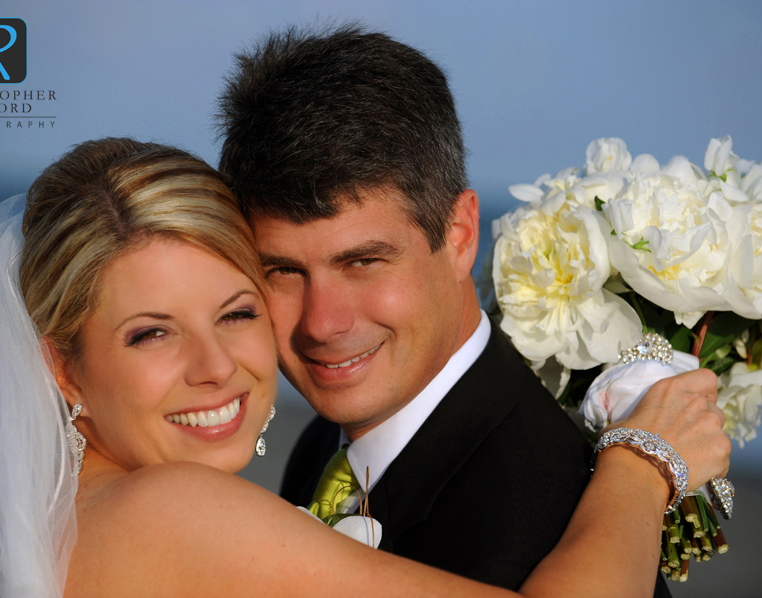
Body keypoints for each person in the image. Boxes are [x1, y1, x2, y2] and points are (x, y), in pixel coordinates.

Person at [0, 137, 729, 598]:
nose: (214, 368)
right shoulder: (164, 513)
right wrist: (643, 460)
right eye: (150, 334)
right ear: (63, 367)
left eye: (237, 313)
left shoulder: (57, 526)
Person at [215, 24, 693, 595]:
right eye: (283, 272)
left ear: (461, 234)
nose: (322, 324)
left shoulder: (534, 525)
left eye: (363, 262)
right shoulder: (327, 442)